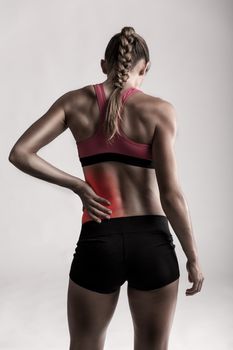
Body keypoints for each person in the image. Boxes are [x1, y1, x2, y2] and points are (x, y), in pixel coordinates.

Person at [8, 26, 204, 350]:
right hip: (152, 244)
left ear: (104, 64)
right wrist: (193, 256)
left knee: (85, 344)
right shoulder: (160, 111)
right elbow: (171, 195)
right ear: (145, 69)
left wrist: (78, 186)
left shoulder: (74, 103)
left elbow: (20, 153)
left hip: (99, 241)